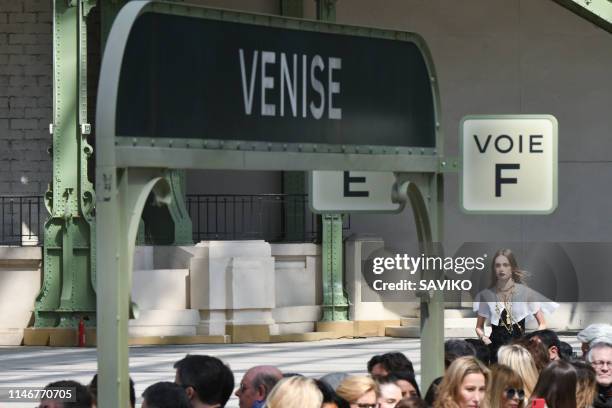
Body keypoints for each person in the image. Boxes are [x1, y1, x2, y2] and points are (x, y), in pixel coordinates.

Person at [474, 249, 557, 362]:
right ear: (494, 269)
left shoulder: (526, 293)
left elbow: (542, 323)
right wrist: (483, 337)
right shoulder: (486, 295)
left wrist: (534, 340)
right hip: (495, 349)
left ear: (512, 267)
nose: (501, 269)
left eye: (505, 265)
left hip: (519, 349)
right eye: (497, 265)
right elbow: (479, 327)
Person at [587, 342, 612, 408]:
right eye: (599, 363)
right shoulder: (577, 396)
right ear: (588, 366)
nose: (605, 368)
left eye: (610, 363)